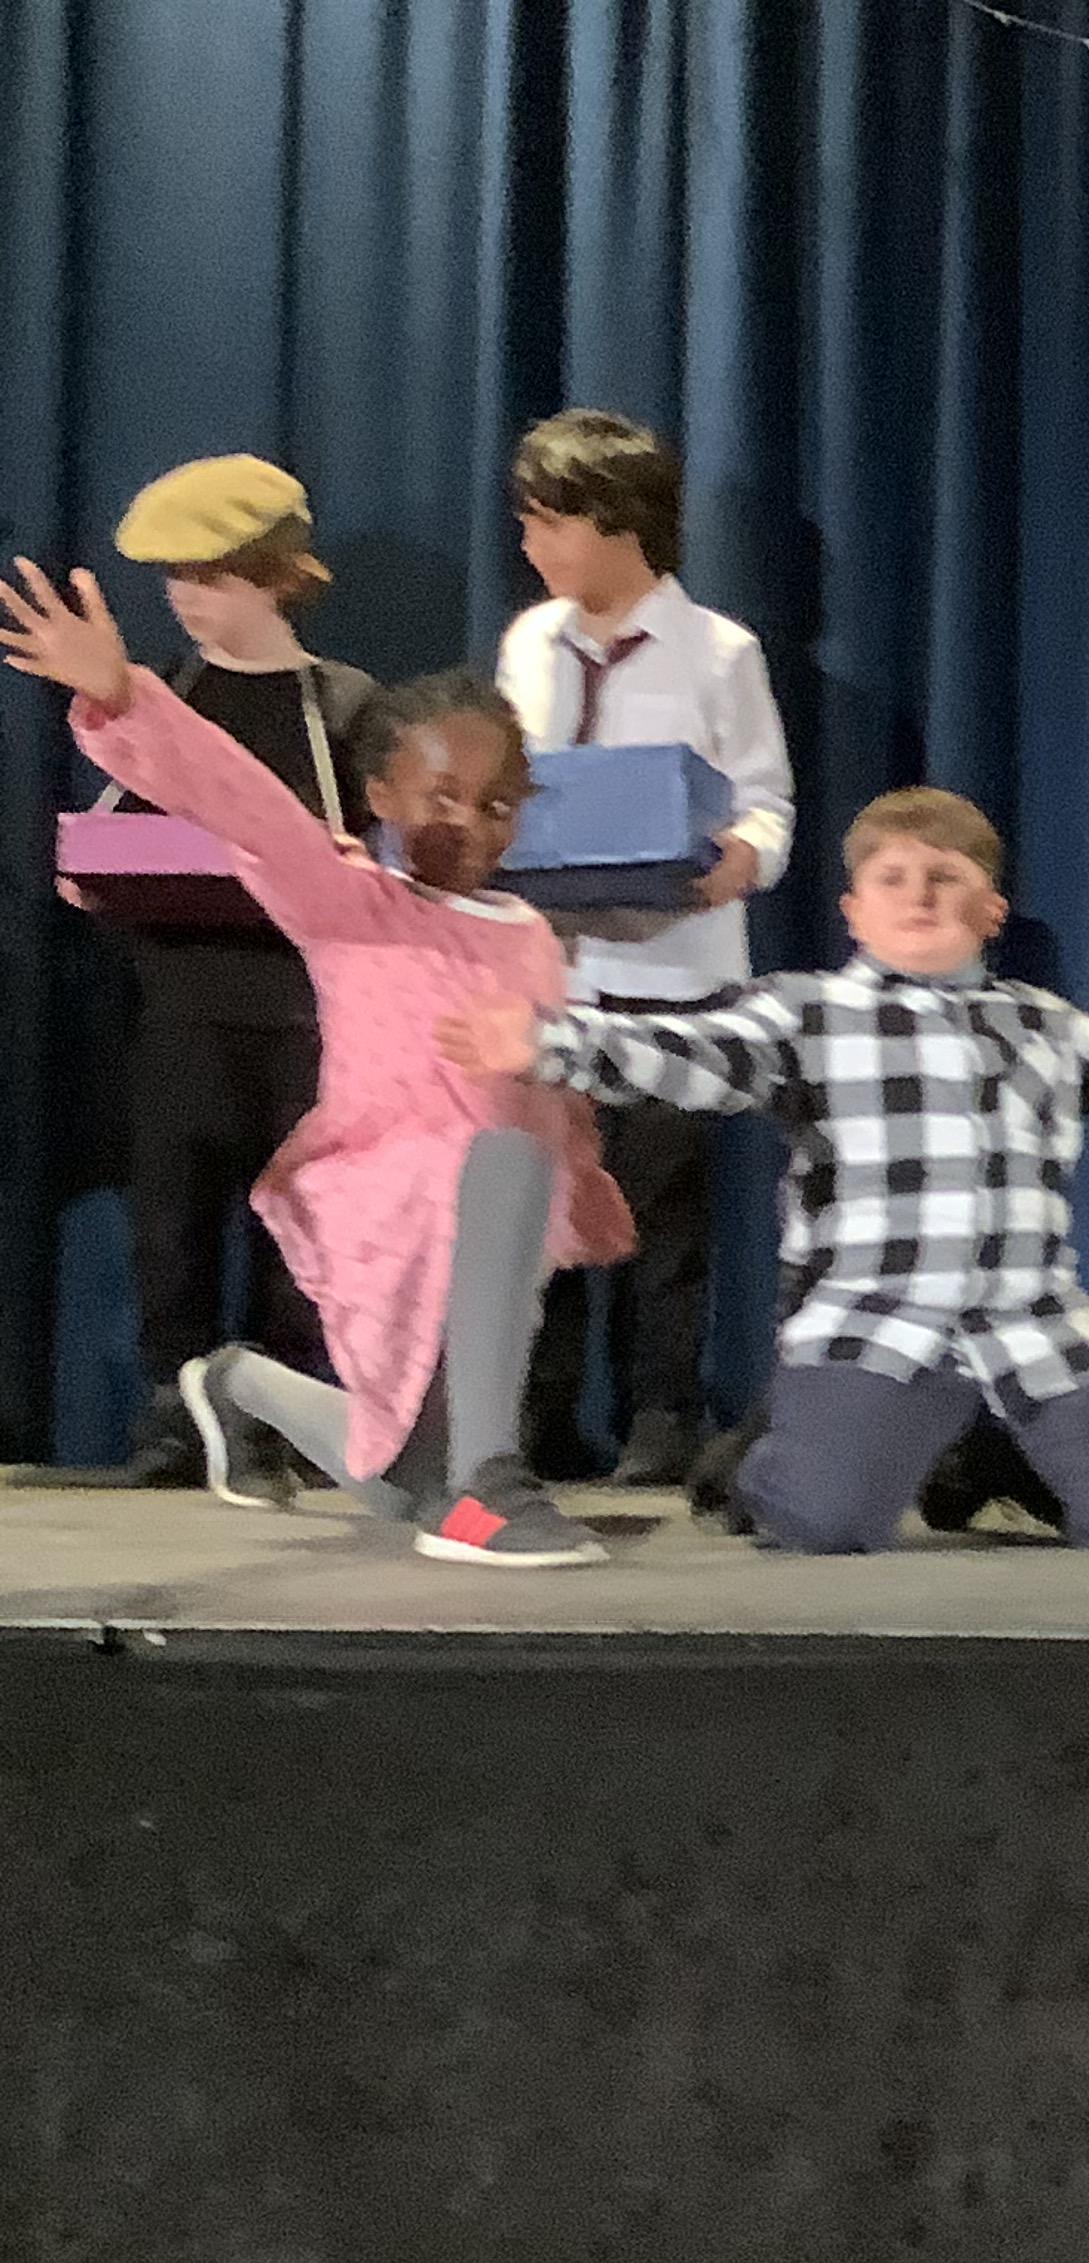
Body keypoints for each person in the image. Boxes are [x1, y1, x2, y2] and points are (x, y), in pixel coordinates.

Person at [437, 785, 1089, 1555]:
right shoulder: (806, 1013)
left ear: (992, 909)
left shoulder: (1041, 1024)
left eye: (945, 877)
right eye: (894, 879)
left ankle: (986, 1447)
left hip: (1028, 1322)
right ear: (854, 911)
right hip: (878, 1319)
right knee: (822, 1524)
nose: (919, 895)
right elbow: (687, 1054)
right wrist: (551, 1042)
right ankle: (761, 1455)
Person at [5, 558, 631, 1566]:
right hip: (388, 1197)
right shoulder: (348, 902)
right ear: (380, 795)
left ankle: (236, 1384)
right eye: (441, 797)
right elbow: (248, 807)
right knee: (502, 1163)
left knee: (401, 1484)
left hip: (492, 1224)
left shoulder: (526, 932)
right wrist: (124, 697)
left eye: (497, 804)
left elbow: (551, 1084)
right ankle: (489, 1486)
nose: (469, 824)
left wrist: (583, 1186)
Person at [497, 407, 796, 1486]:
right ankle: (540, 1414)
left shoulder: (719, 652)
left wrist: (739, 859)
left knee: (663, 1209)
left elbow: (767, 801)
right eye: (528, 524)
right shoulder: (529, 643)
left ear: (622, 523)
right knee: (548, 1202)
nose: (532, 545)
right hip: (553, 973)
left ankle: (661, 1413)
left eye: (552, 523)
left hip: (674, 972)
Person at [82, 455, 377, 1498]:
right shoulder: (163, 699)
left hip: (306, 1014)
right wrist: (93, 872)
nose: (187, 599)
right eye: (175, 579)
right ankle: (176, 1420)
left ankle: (294, 1421)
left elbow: (365, 855)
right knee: (174, 1228)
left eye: (209, 576)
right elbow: (117, 825)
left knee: (306, 1235)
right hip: (184, 1004)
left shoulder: (341, 703)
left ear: (276, 576)